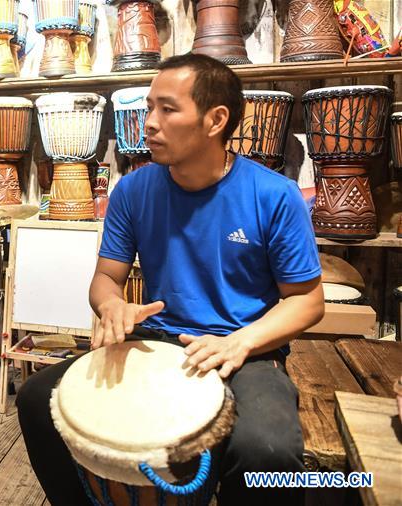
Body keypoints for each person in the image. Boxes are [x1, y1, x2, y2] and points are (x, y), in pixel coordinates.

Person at [17, 53, 324, 506]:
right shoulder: (133, 191)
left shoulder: (274, 195)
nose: (149, 123)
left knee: (268, 453)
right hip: (157, 339)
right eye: (149, 108)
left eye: (167, 108)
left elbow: (307, 301)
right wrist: (111, 306)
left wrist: (240, 342)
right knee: (39, 399)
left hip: (247, 351)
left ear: (216, 119)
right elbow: (105, 277)